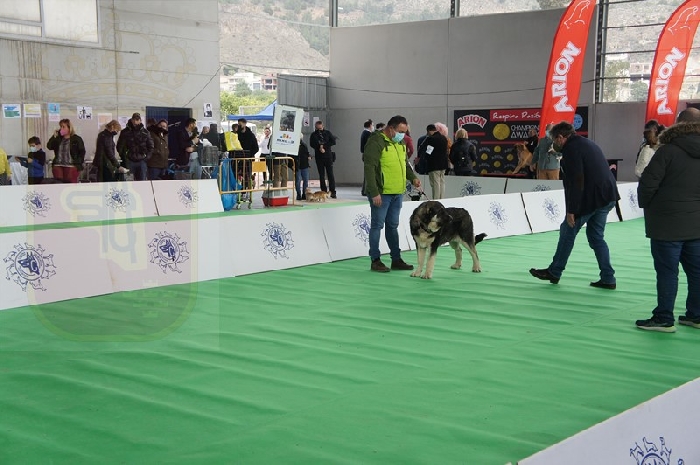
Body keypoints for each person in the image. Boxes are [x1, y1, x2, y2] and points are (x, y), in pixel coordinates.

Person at [529, 121, 619, 288]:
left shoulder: (571, 150)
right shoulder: (587, 143)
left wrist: (572, 210)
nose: (553, 144)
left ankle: (554, 271)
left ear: (560, 138)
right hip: (607, 196)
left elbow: (576, 182)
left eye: (554, 141)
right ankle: (608, 278)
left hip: (592, 198)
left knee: (567, 231)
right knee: (596, 238)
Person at [635, 107, 700, 333]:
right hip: (696, 224)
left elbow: (648, 184)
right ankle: (696, 315)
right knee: (697, 272)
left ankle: (664, 318)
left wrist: (647, 204)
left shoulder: (667, 151)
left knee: (667, 272)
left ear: (678, 124)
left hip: (666, 224)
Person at [363, 115, 421, 272]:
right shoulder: (375, 142)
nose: (403, 135)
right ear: (390, 128)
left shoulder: (400, 142)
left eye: (405, 132)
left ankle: (396, 259)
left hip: (397, 192)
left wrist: (413, 178)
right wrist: (374, 192)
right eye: (401, 131)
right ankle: (375, 260)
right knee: (377, 226)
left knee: (393, 226)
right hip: (381, 193)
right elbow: (369, 168)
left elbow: (405, 164)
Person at [116, 113, 153, 181]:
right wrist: (125, 157)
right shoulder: (125, 132)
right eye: (134, 119)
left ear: (140, 120)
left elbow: (151, 147)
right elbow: (119, 147)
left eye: (137, 119)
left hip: (142, 161)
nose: (135, 121)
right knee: (129, 182)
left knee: (141, 182)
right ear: (131, 120)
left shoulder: (146, 132)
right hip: (129, 162)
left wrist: (146, 157)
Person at [47, 118, 85, 183]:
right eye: (60, 127)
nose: (61, 129)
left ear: (69, 128)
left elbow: (82, 152)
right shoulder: (58, 138)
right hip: (58, 165)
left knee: (70, 184)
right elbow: (49, 146)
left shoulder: (76, 139)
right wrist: (54, 137)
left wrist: (77, 163)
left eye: (63, 127)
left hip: (71, 165)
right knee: (59, 183)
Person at [418, 123, 448, 199]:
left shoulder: (431, 139)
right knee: (442, 182)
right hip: (443, 164)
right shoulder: (444, 138)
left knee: (435, 183)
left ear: (429, 131)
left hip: (434, 164)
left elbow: (429, 151)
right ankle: (442, 198)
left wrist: (425, 158)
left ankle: (436, 199)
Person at [309, 120, 338, 198]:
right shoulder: (313, 135)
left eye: (320, 128)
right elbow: (312, 144)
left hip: (328, 156)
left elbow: (333, 141)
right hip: (319, 157)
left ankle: (332, 192)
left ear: (323, 126)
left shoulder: (327, 133)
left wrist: (324, 146)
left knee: (330, 174)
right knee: (321, 175)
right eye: (317, 128)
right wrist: (319, 147)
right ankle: (323, 191)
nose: (319, 129)